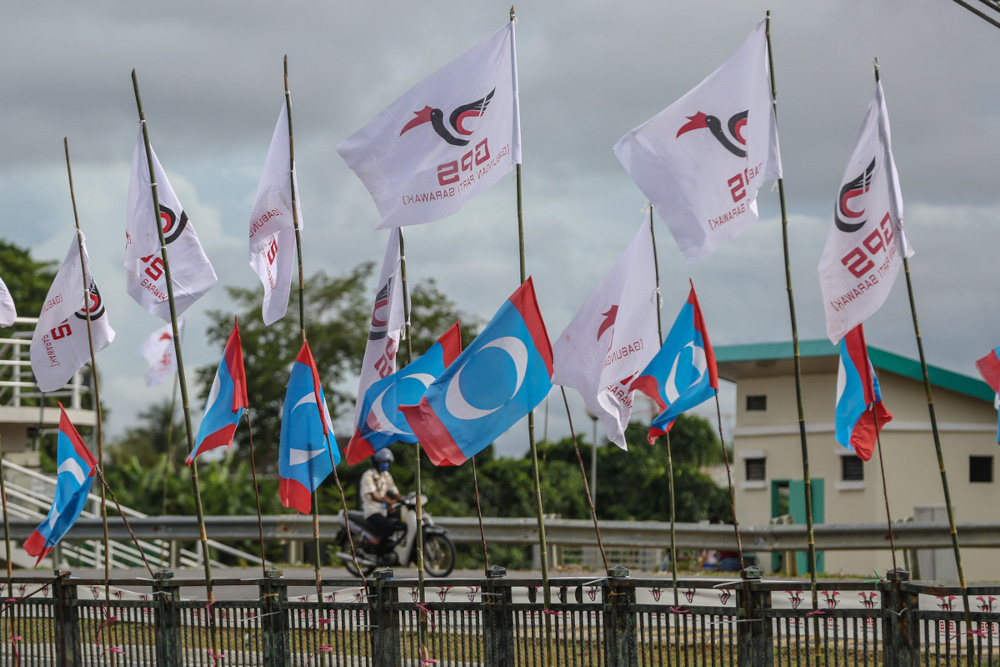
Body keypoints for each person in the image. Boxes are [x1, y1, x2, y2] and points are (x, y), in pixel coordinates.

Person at [359, 449, 403, 551]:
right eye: (383, 462)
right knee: (390, 526)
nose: (385, 464)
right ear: (375, 462)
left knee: (403, 518)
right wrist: (389, 502)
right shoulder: (368, 475)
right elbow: (374, 496)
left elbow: (396, 493)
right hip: (372, 511)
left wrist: (408, 499)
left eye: (387, 462)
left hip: (384, 510)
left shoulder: (386, 475)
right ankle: (380, 550)